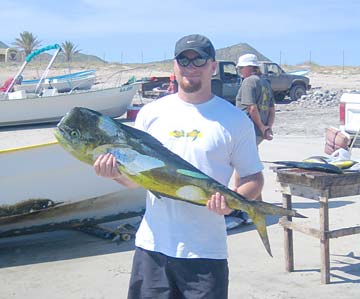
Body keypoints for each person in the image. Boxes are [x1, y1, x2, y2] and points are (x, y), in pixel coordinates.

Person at [93, 34, 264, 299]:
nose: (191, 67)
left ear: (213, 66)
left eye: (199, 60)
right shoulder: (151, 113)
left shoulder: (235, 120)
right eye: (184, 60)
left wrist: (235, 203)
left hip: (205, 253)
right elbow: (138, 179)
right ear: (174, 65)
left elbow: (254, 178)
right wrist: (115, 174)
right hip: (152, 248)